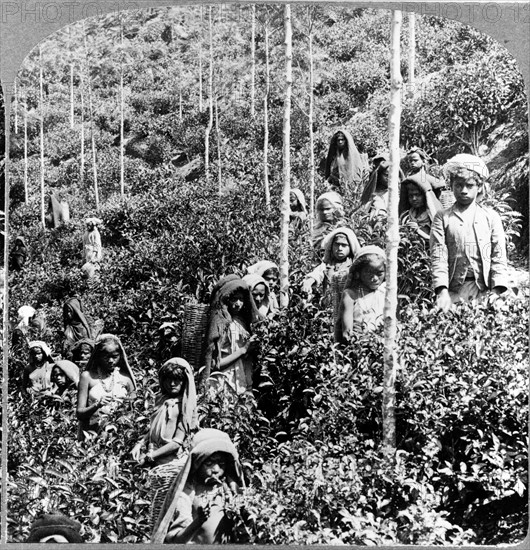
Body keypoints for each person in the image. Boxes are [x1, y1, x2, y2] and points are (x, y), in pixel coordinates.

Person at [430, 154, 509, 312]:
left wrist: (496, 291)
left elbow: (498, 255)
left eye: (470, 185)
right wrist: (442, 291)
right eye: (458, 185)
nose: (463, 190)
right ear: (451, 186)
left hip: (484, 289)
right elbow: (438, 256)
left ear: (479, 187)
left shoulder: (490, 217)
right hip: (453, 290)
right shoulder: (443, 217)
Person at [132, 358, 198, 529]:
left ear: (185, 381)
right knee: (156, 510)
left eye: (178, 379)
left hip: (172, 464)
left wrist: (151, 456)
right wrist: (141, 443)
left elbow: (177, 442)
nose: (172, 383)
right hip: (157, 464)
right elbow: (153, 428)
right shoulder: (161, 400)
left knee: (171, 510)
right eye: (168, 379)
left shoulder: (185, 406)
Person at [152, 428, 244, 544]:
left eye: (221, 464)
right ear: (197, 464)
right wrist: (198, 521)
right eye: (209, 463)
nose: (216, 470)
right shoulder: (188, 492)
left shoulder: (230, 490)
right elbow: (175, 540)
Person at [204, 278, 259, 395]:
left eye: (241, 299)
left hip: (242, 379)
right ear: (225, 300)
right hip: (224, 383)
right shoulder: (220, 324)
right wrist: (243, 350)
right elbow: (215, 365)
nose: (238, 304)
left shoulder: (242, 322)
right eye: (234, 299)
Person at [76, 334, 136, 439]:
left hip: (119, 436)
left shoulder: (125, 379)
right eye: (106, 357)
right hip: (93, 435)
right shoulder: (88, 377)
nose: (111, 361)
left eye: (115, 356)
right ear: (98, 356)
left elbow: (134, 411)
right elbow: (79, 413)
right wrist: (96, 405)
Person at [335, 245, 386, 343]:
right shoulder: (350, 295)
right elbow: (347, 333)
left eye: (379, 273)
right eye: (369, 273)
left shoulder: (386, 293)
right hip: (359, 347)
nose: (375, 278)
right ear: (358, 273)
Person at [303, 227, 361, 307]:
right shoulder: (327, 265)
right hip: (327, 308)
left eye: (344, 245)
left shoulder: (354, 266)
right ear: (331, 246)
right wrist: (308, 282)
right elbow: (317, 274)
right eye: (337, 245)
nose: (340, 248)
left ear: (350, 247)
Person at [399, 173, 443, 239]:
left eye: (418, 195)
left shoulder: (433, 215)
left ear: (425, 196)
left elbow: (438, 239)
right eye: (411, 196)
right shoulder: (408, 214)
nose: (414, 199)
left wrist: (418, 231)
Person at [324, 129, 365, 196]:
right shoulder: (335, 156)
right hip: (335, 187)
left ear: (346, 141)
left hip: (350, 189)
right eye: (338, 140)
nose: (340, 142)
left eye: (342, 140)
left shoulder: (353, 156)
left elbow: (356, 173)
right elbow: (331, 171)